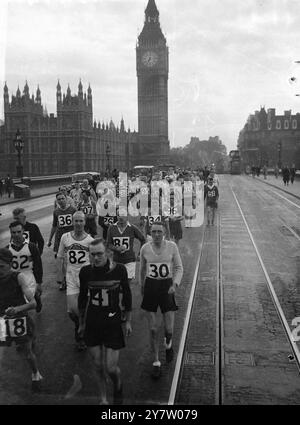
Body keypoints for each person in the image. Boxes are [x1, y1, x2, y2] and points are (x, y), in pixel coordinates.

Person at [78, 238, 132, 405]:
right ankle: (103, 398)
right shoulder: (85, 272)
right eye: (92, 255)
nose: (96, 258)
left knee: (110, 368)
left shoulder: (120, 270)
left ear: (107, 253)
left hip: (113, 322)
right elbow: (82, 298)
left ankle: (118, 383)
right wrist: (81, 323)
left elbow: (128, 295)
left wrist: (128, 320)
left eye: (99, 254)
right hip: (93, 322)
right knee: (98, 366)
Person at [139, 221, 183, 379]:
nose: (156, 234)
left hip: (167, 287)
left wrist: (175, 284)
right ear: (150, 233)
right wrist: (141, 285)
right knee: (152, 329)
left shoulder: (172, 246)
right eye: (153, 232)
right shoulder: (145, 248)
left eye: (159, 231)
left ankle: (169, 343)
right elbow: (142, 269)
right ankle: (156, 361)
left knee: (169, 328)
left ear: (164, 232)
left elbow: (179, 268)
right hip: (151, 286)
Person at [0, 248, 43, 392]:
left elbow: (33, 303)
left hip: (19, 318)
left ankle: (35, 373)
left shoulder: (18, 277)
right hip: (2, 320)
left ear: (10, 264)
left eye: (1, 267)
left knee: (28, 353)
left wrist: (16, 309)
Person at [57, 211, 94, 351]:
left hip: (85, 278)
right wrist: (60, 277)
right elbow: (60, 257)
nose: (78, 223)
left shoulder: (90, 240)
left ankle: (80, 337)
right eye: (76, 221)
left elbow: (95, 260)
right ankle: (81, 325)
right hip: (71, 277)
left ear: (84, 222)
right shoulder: (65, 237)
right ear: (73, 222)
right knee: (72, 311)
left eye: (81, 221)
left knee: (85, 307)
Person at [107, 212, 145, 320]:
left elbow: (142, 239)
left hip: (129, 261)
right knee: (115, 286)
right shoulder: (111, 228)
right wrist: (116, 248)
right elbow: (108, 244)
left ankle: (124, 309)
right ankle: (116, 307)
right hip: (117, 261)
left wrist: (139, 254)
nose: (121, 217)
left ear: (127, 216)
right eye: (119, 215)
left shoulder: (132, 228)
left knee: (126, 286)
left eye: (123, 215)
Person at [7, 221, 43, 313]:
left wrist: (39, 282)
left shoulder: (31, 246)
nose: (16, 234)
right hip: (15, 277)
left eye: (19, 231)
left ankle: (36, 298)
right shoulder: (7, 249)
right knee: (20, 302)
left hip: (29, 276)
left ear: (23, 231)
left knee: (30, 297)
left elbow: (38, 265)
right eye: (13, 232)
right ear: (10, 233)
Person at [47, 192, 77, 290]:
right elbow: (54, 226)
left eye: (62, 198)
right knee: (61, 260)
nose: (60, 201)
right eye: (58, 199)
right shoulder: (56, 212)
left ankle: (74, 279)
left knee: (72, 260)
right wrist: (50, 239)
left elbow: (79, 224)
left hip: (71, 237)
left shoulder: (73, 210)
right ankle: (64, 281)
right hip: (60, 238)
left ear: (66, 199)